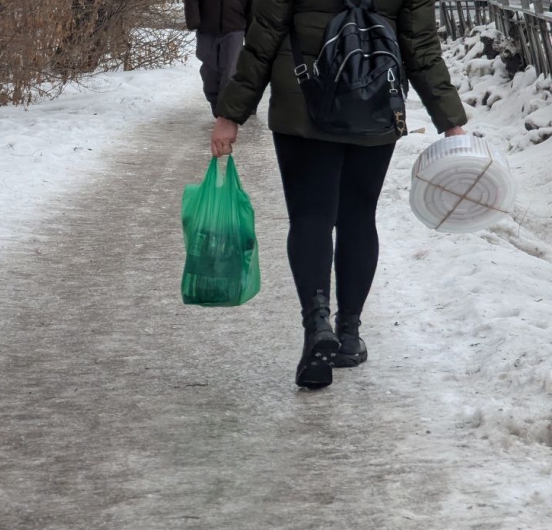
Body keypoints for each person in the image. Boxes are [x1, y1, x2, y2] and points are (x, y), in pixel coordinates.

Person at [209, 0, 467, 389]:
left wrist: (231, 114)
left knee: (311, 217)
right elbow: (421, 46)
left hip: (304, 104)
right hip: (377, 101)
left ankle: (317, 325)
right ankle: (348, 334)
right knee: (359, 217)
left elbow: (263, 38)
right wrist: (451, 123)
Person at [184, 0, 251, 117]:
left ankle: (225, 111)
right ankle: (215, 103)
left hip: (235, 26)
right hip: (206, 27)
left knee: (229, 70)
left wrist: (252, 26)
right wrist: (193, 19)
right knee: (209, 71)